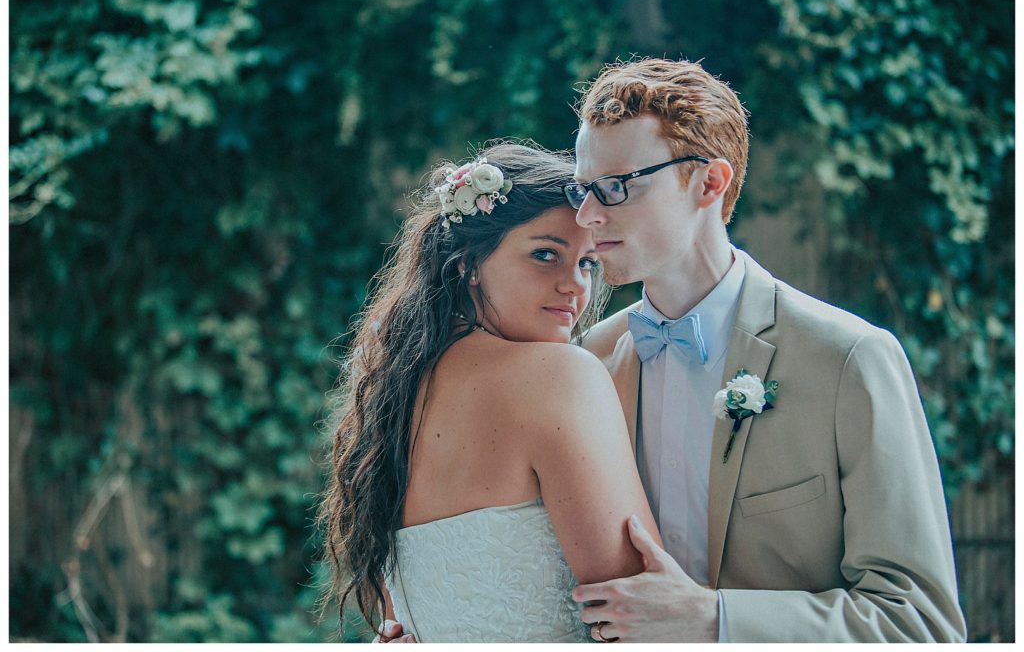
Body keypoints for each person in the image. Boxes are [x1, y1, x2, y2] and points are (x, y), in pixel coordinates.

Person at [564, 58, 967, 642]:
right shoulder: (588, 363)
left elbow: (919, 623)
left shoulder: (849, 359)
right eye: (583, 189)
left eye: (617, 187)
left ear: (709, 183)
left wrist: (713, 619)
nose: (588, 215)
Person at [318, 142, 661, 643]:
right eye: (546, 254)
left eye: (587, 263)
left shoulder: (395, 391)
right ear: (468, 263)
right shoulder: (558, 376)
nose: (575, 286)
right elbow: (644, 609)